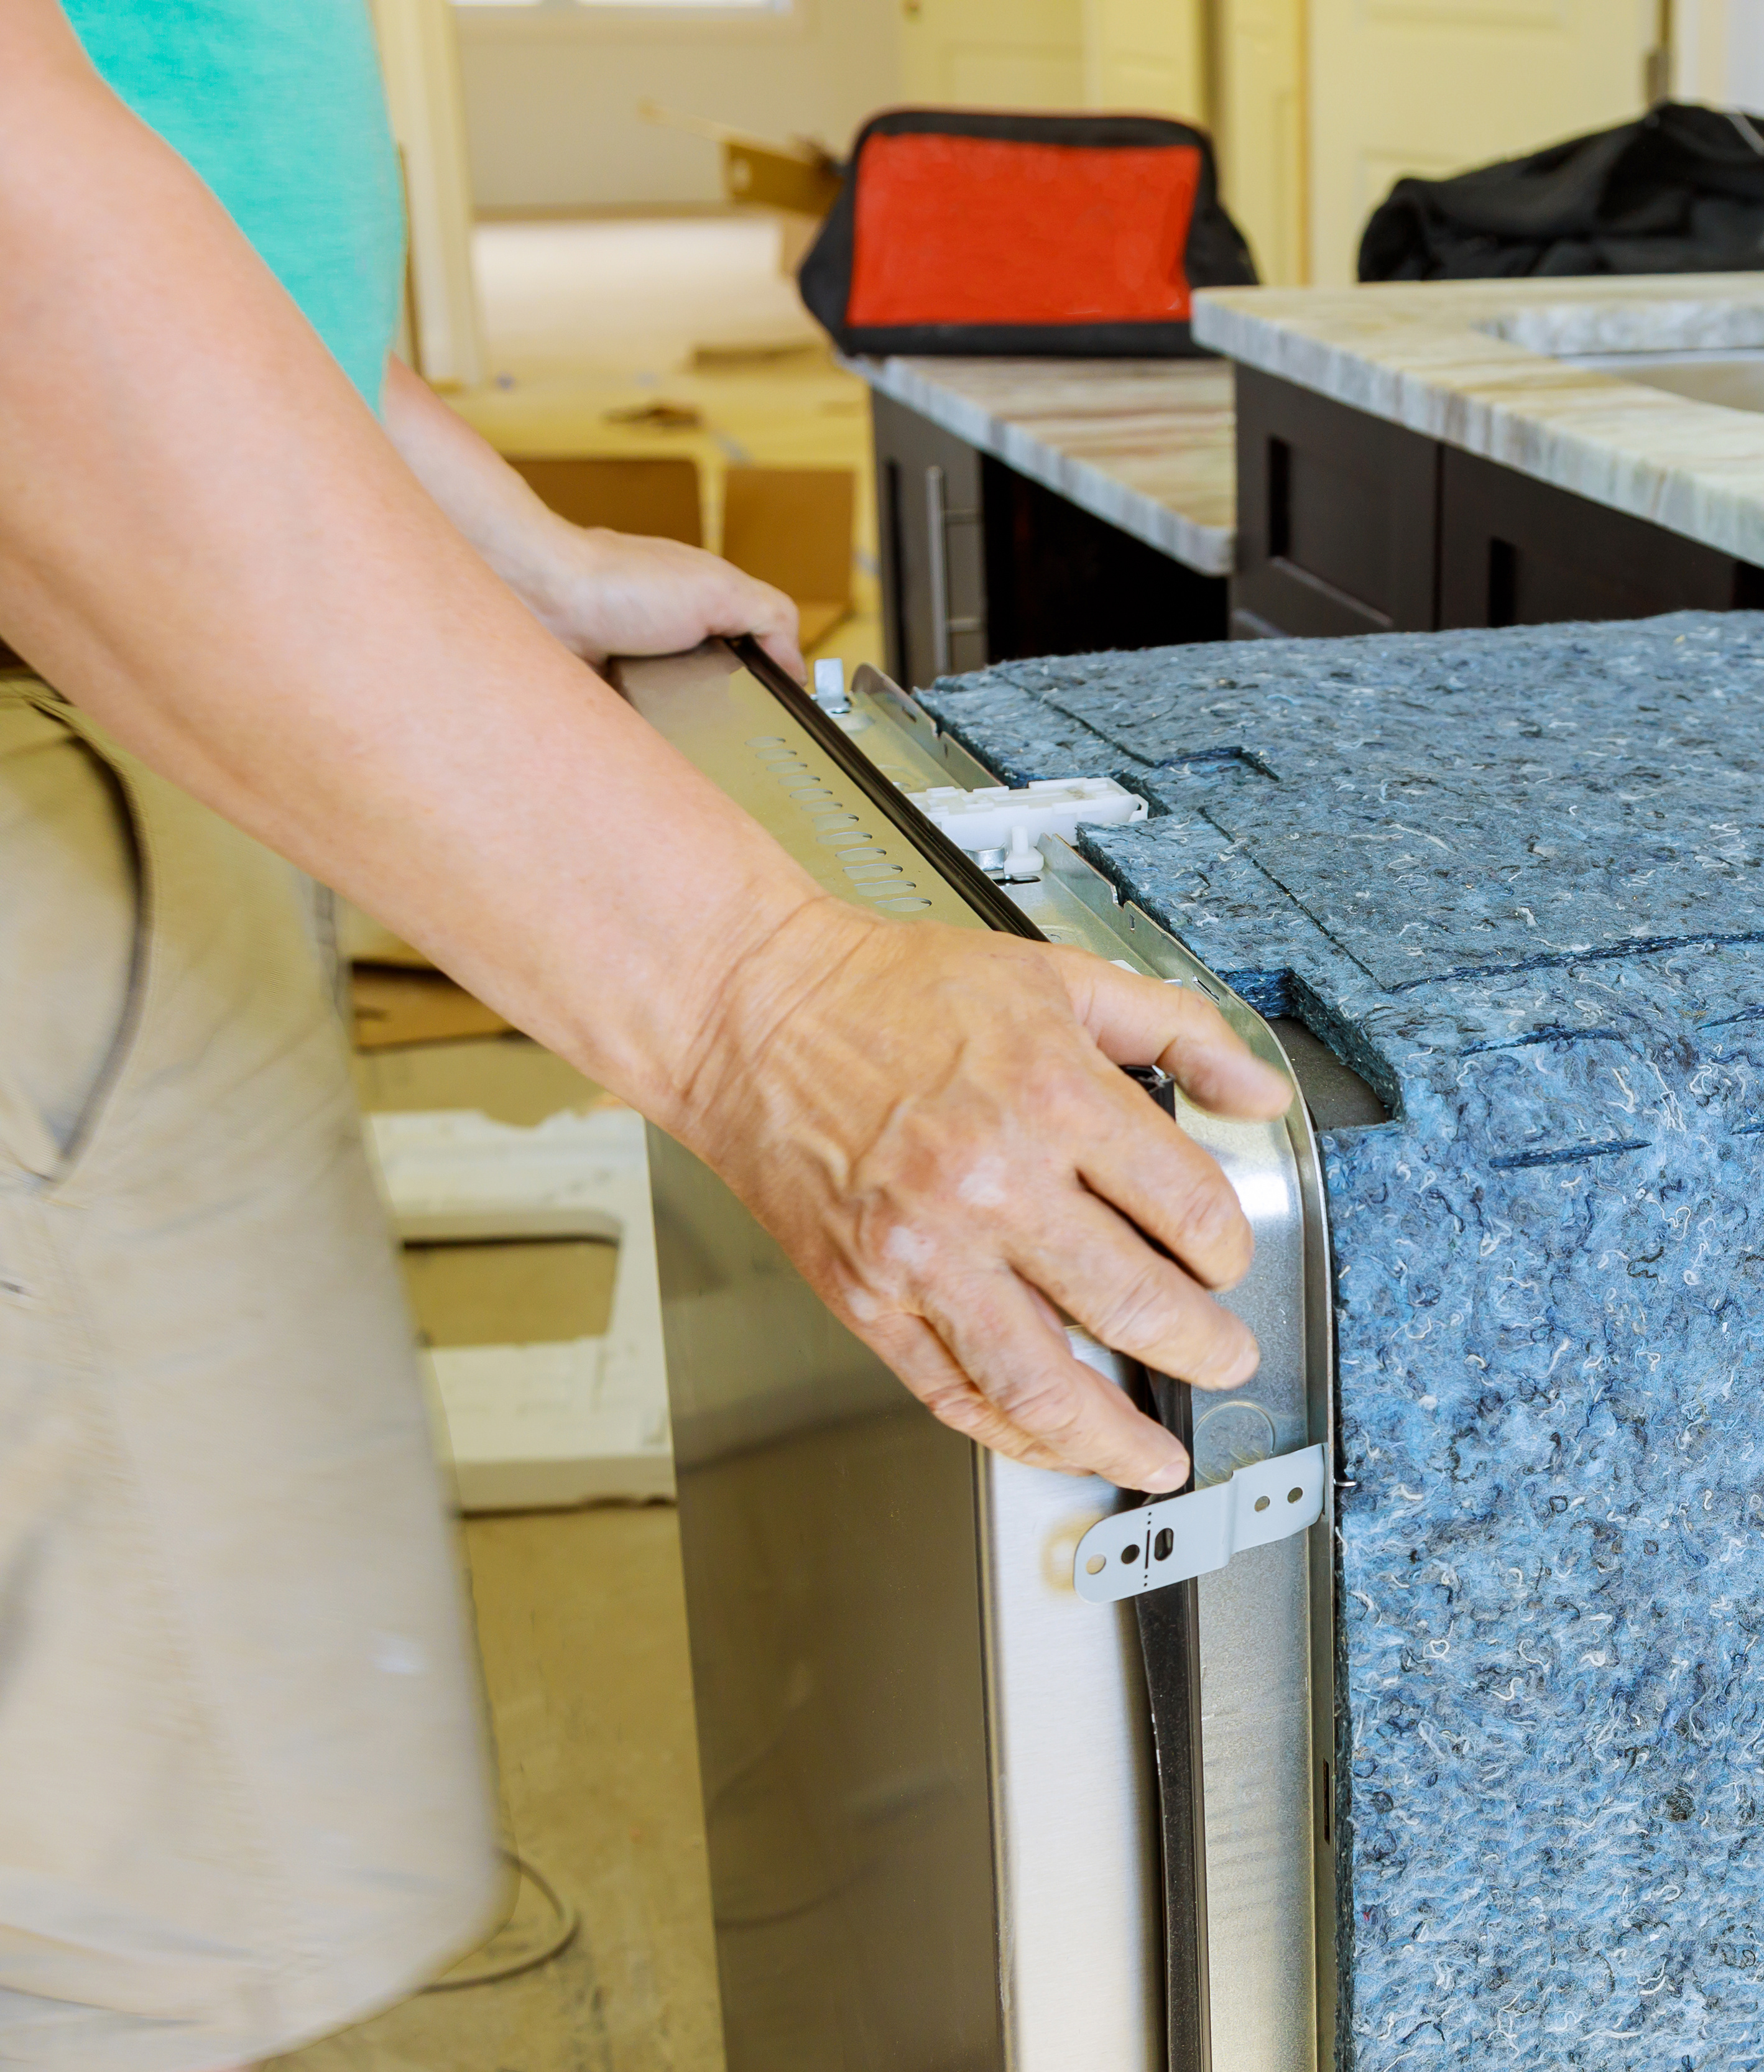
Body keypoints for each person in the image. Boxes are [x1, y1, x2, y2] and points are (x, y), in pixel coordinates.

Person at [0, 4, 1289, 2064]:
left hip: (138, 642)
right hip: (52, 695)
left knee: (221, 1848)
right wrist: (754, 1005)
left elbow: (187, 134)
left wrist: (487, 537)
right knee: (143, 1899)